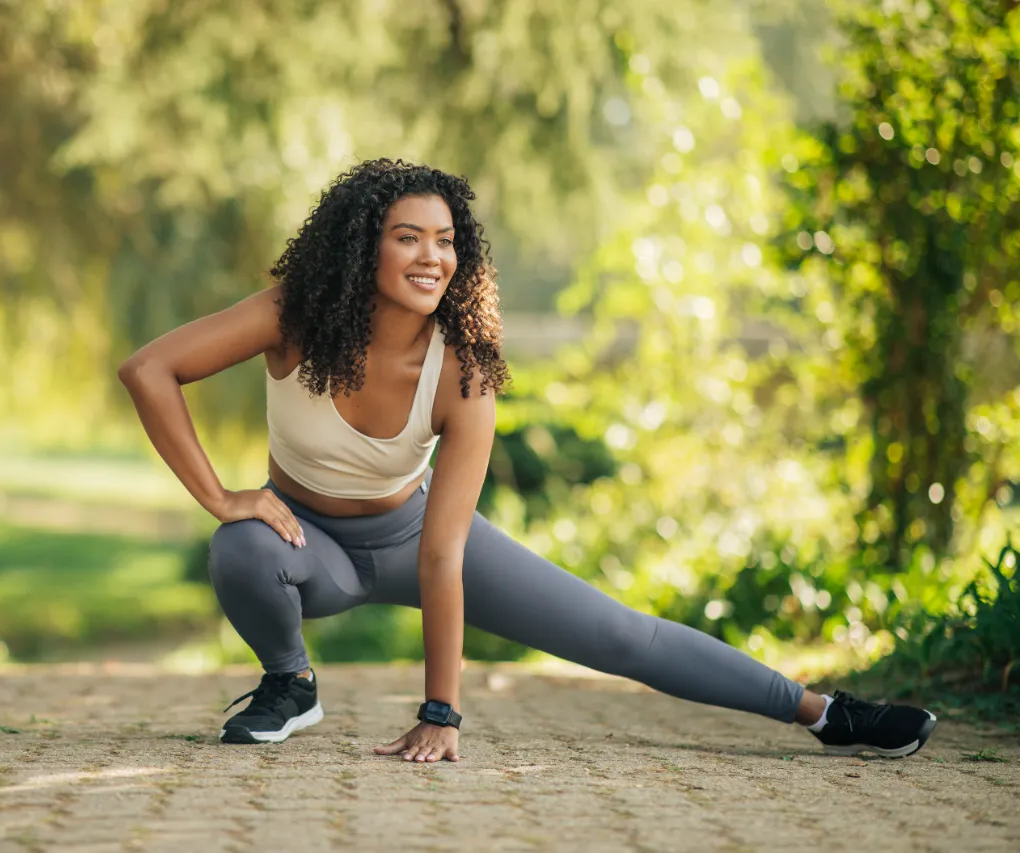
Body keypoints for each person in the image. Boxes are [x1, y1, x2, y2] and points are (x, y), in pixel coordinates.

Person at [118, 159, 937, 764]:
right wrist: (224, 495)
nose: (431, 256)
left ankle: (826, 713)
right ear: (362, 248)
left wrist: (443, 709)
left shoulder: (465, 370)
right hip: (309, 545)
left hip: (414, 533)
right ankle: (290, 685)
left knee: (623, 635)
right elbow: (150, 369)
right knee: (242, 546)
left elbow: (442, 552)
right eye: (408, 238)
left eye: (445, 240)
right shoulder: (291, 315)